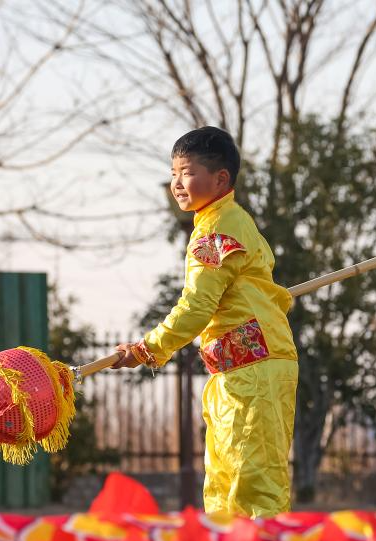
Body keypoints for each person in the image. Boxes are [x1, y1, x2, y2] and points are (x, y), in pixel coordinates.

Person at [113, 126, 299, 518]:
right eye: (174, 173)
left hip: (253, 372)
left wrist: (147, 349)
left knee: (253, 483)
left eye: (188, 172)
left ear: (220, 179)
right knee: (223, 483)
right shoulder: (232, 220)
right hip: (239, 371)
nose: (177, 183)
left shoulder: (214, 232)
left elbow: (196, 306)